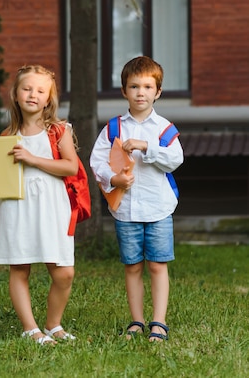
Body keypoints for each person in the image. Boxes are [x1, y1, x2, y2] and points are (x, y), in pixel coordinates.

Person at [0, 65, 79, 345]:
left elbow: (70, 167)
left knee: (64, 271)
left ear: (49, 99)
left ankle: (53, 324)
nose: (33, 94)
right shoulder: (7, 134)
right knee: (19, 267)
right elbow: (2, 174)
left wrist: (32, 158)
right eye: (27, 88)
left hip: (52, 206)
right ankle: (29, 328)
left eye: (40, 90)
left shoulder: (58, 130)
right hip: (18, 206)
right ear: (16, 94)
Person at [90, 56, 184, 342]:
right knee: (132, 266)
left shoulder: (164, 129)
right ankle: (137, 321)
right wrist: (113, 179)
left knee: (157, 264)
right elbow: (97, 161)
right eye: (134, 86)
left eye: (147, 86)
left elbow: (175, 159)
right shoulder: (114, 128)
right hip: (126, 209)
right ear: (124, 91)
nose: (140, 92)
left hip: (158, 207)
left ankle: (159, 322)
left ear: (158, 92)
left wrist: (147, 146)